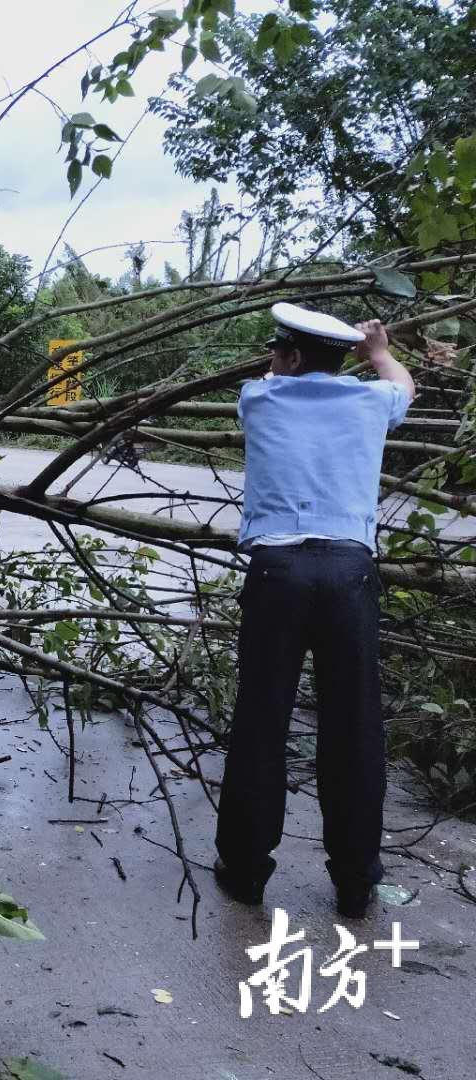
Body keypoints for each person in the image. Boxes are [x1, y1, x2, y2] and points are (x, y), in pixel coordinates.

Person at [214, 303, 414, 919]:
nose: (268, 360)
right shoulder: (371, 402)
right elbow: (401, 384)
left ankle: (246, 870)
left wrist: (302, 365)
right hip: (350, 574)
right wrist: (377, 351)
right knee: (353, 726)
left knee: (261, 720)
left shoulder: (260, 399)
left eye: (277, 350)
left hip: (279, 574)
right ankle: (356, 880)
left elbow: (276, 380)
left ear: (292, 358)